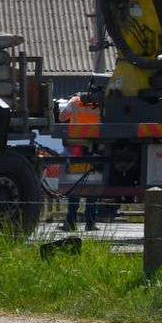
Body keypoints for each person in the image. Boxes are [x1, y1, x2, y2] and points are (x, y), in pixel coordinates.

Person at [58, 93, 102, 230]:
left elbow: (61, 117)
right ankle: (90, 223)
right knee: (93, 185)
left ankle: (71, 222)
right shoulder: (101, 104)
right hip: (94, 148)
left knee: (74, 185)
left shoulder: (75, 101)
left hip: (75, 148)